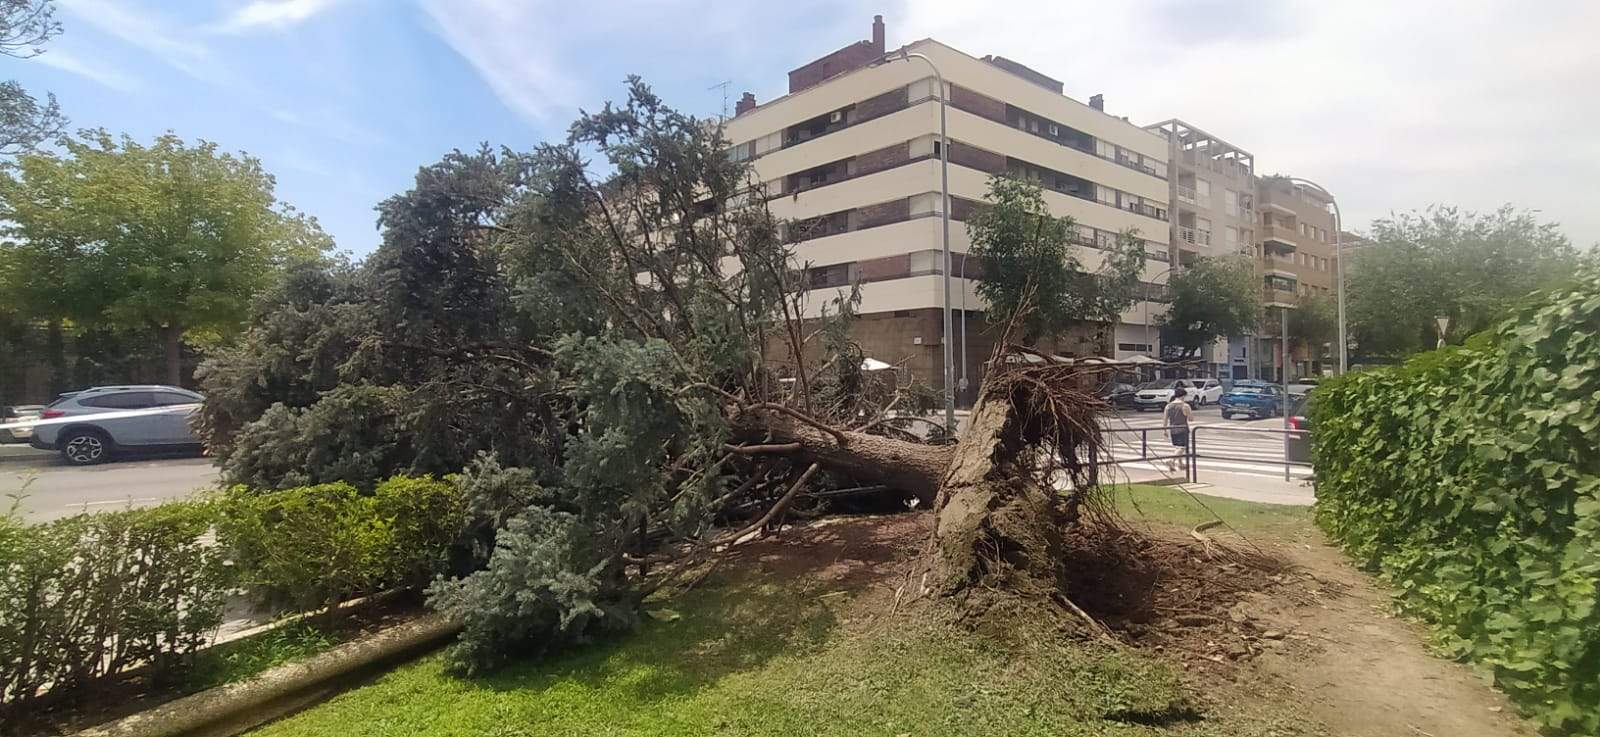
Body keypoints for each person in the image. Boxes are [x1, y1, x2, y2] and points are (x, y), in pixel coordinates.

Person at [1164, 387, 1195, 473]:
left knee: (1177, 447)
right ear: (1183, 396)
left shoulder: (1168, 406)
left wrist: (1164, 430)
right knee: (1182, 447)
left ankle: (1180, 463)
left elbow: (1165, 419)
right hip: (1182, 428)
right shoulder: (1185, 405)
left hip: (1172, 428)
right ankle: (1171, 461)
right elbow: (1191, 418)